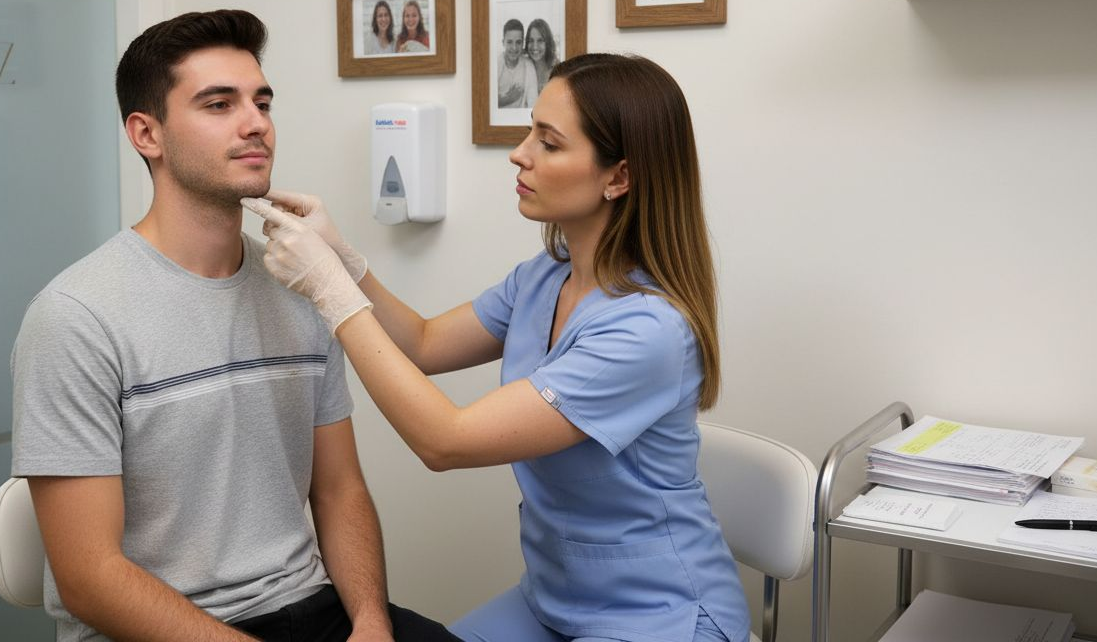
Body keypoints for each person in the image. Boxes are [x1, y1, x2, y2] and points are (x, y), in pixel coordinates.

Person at [243, 52, 752, 642]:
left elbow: (445, 443)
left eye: (550, 142)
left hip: (658, 614)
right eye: (530, 130)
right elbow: (425, 342)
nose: (520, 153)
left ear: (618, 177)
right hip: (551, 600)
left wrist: (329, 293)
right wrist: (346, 260)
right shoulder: (546, 275)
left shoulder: (647, 331)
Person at [10, 9, 458, 642]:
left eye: (262, 102)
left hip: (312, 607)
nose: (256, 125)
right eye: (219, 104)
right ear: (147, 134)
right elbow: (89, 577)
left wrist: (371, 620)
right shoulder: (77, 317)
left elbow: (338, 490)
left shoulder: (299, 285)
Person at [497, 18, 538, 109]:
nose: (514, 47)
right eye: (510, 42)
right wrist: (508, 99)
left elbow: (533, 104)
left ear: (523, 43)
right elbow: (485, 100)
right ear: (503, 42)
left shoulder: (528, 66)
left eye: (518, 42)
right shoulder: (495, 65)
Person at [524, 18, 557, 89]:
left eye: (540, 40)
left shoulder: (557, 70)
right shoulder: (524, 66)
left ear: (548, 43)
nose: (535, 46)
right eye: (531, 40)